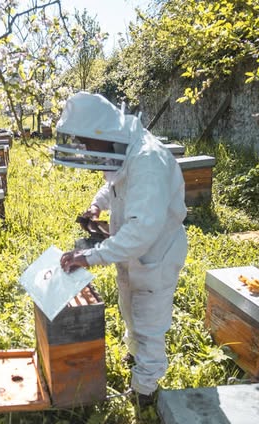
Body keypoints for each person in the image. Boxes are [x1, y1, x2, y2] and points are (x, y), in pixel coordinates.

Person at [53, 92, 188, 405]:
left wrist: (88, 257)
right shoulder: (123, 146)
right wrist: (96, 206)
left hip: (155, 254)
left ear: (104, 132)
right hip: (129, 250)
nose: (85, 149)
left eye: (87, 142)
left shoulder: (148, 161)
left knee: (149, 323)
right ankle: (134, 355)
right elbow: (114, 179)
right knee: (129, 308)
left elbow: (141, 232)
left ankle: (146, 391)